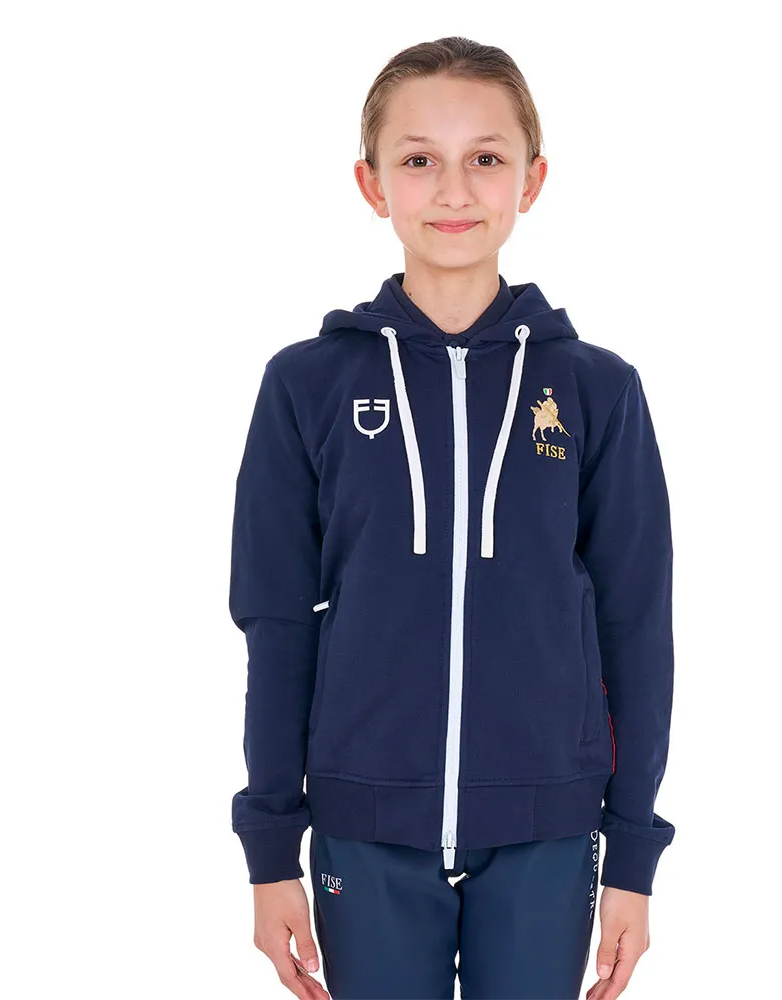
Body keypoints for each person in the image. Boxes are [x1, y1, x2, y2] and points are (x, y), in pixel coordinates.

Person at [229, 35, 676, 1000]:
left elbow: (637, 629)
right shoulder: (306, 385)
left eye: (486, 157)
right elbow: (276, 623)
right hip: (363, 826)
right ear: (372, 183)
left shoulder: (598, 390)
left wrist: (633, 854)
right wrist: (270, 848)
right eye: (419, 159)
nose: (454, 190)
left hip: (549, 828)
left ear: (532, 179)